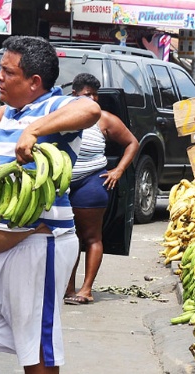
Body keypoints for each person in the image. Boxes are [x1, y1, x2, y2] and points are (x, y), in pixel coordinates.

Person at [0, 36, 101, 374]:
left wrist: (34, 131)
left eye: (7, 72)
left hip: (37, 246)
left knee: (36, 346)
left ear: (34, 82)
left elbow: (90, 110)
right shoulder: (15, 110)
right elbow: (1, 114)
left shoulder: (55, 108)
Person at [64, 73, 139, 305]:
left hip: (92, 181)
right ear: (74, 95)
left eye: (96, 94)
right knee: (68, 237)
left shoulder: (104, 119)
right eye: (88, 94)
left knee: (91, 236)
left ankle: (86, 290)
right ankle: (67, 288)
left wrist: (118, 170)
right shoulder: (61, 114)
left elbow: (132, 143)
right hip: (63, 184)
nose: (93, 99)